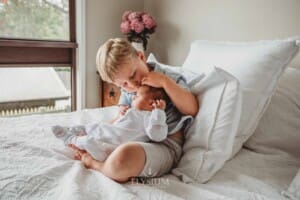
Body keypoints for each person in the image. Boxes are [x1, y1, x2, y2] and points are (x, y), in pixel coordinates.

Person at [69, 38, 198, 182]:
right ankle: (100, 155)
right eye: (123, 84)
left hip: (164, 146)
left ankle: (95, 164)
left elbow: (191, 109)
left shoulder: (169, 78)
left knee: (123, 157)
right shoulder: (128, 91)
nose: (132, 84)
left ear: (141, 57)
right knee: (98, 137)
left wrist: (164, 82)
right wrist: (118, 117)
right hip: (132, 139)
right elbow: (119, 124)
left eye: (132, 75)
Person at [52, 86, 191, 162]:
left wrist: (159, 112)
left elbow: (157, 135)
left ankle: (72, 138)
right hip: (112, 136)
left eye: (136, 96)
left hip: (115, 141)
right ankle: (76, 134)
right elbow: (118, 123)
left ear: (150, 103)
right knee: (96, 127)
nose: (133, 98)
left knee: (97, 131)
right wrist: (121, 114)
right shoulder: (133, 111)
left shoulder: (151, 117)